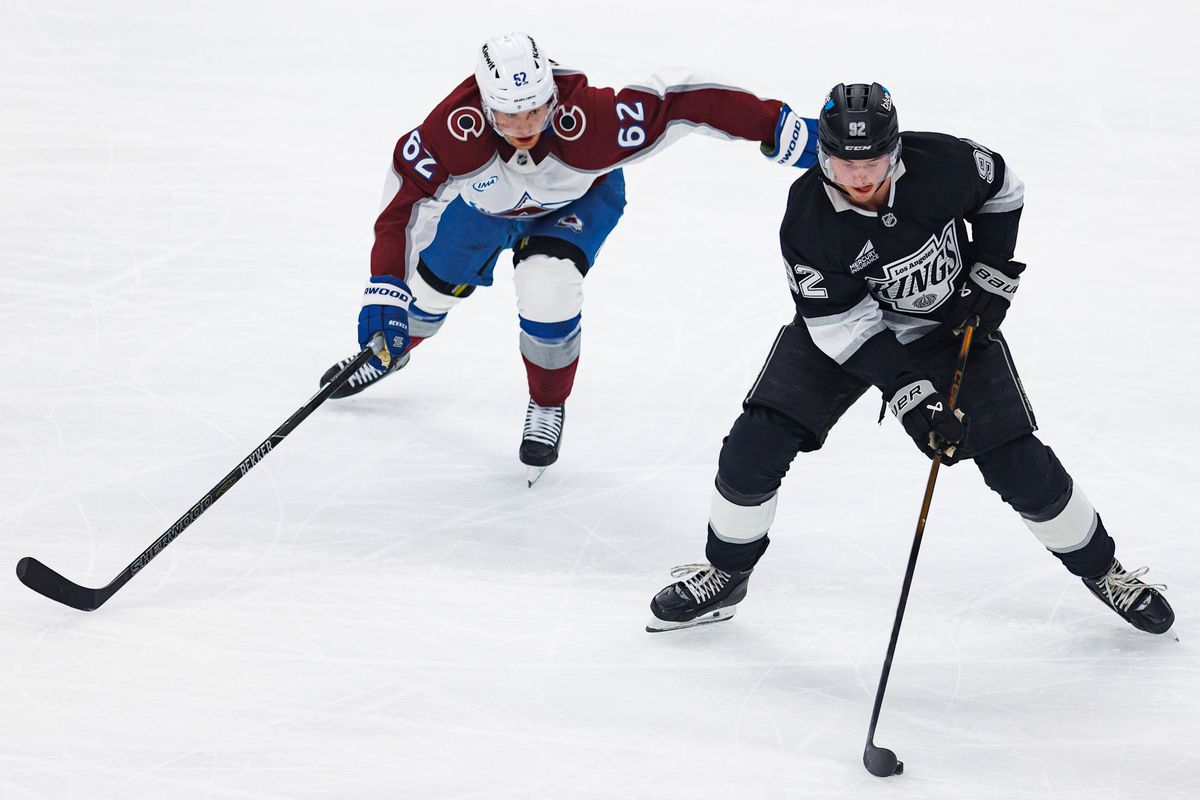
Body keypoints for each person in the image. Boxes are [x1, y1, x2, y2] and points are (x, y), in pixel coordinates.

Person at [647, 83, 1174, 636]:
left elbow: (1003, 187)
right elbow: (840, 325)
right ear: (822, 154)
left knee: (1018, 465)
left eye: (873, 159)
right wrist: (910, 394)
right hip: (845, 330)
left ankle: (1105, 572)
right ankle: (726, 574)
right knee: (755, 444)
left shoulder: (941, 163)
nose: (860, 177)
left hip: (948, 328)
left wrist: (990, 275)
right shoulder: (808, 218)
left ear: (896, 149)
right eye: (844, 162)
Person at [319, 32, 817, 485]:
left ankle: (547, 402)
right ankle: (391, 350)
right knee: (424, 294)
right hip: (482, 208)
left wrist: (776, 124)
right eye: (509, 114)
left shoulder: (593, 123)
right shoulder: (452, 131)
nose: (524, 126)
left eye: (535, 110)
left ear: (551, 97)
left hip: (578, 201)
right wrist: (385, 284)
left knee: (547, 284)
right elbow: (403, 206)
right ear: (485, 104)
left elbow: (688, 100)